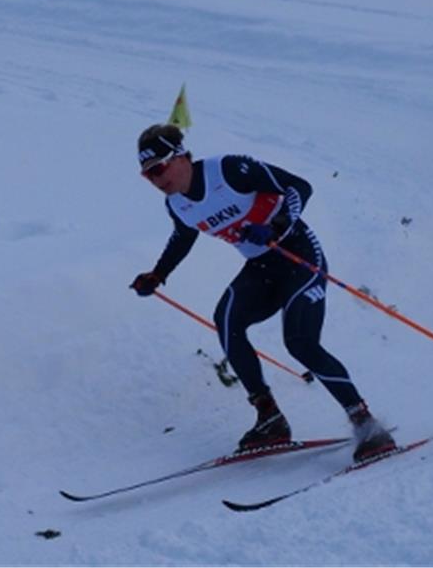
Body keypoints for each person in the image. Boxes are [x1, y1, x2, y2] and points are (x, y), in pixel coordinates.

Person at [130, 124, 396, 462]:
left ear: (180, 156)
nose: (155, 179)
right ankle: (269, 417)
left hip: (298, 255)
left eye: (158, 168)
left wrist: (275, 226)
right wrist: (157, 274)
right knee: (226, 320)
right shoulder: (177, 204)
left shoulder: (228, 170)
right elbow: (183, 238)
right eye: (147, 175)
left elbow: (299, 187)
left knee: (300, 342)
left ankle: (367, 425)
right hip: (261, 267)